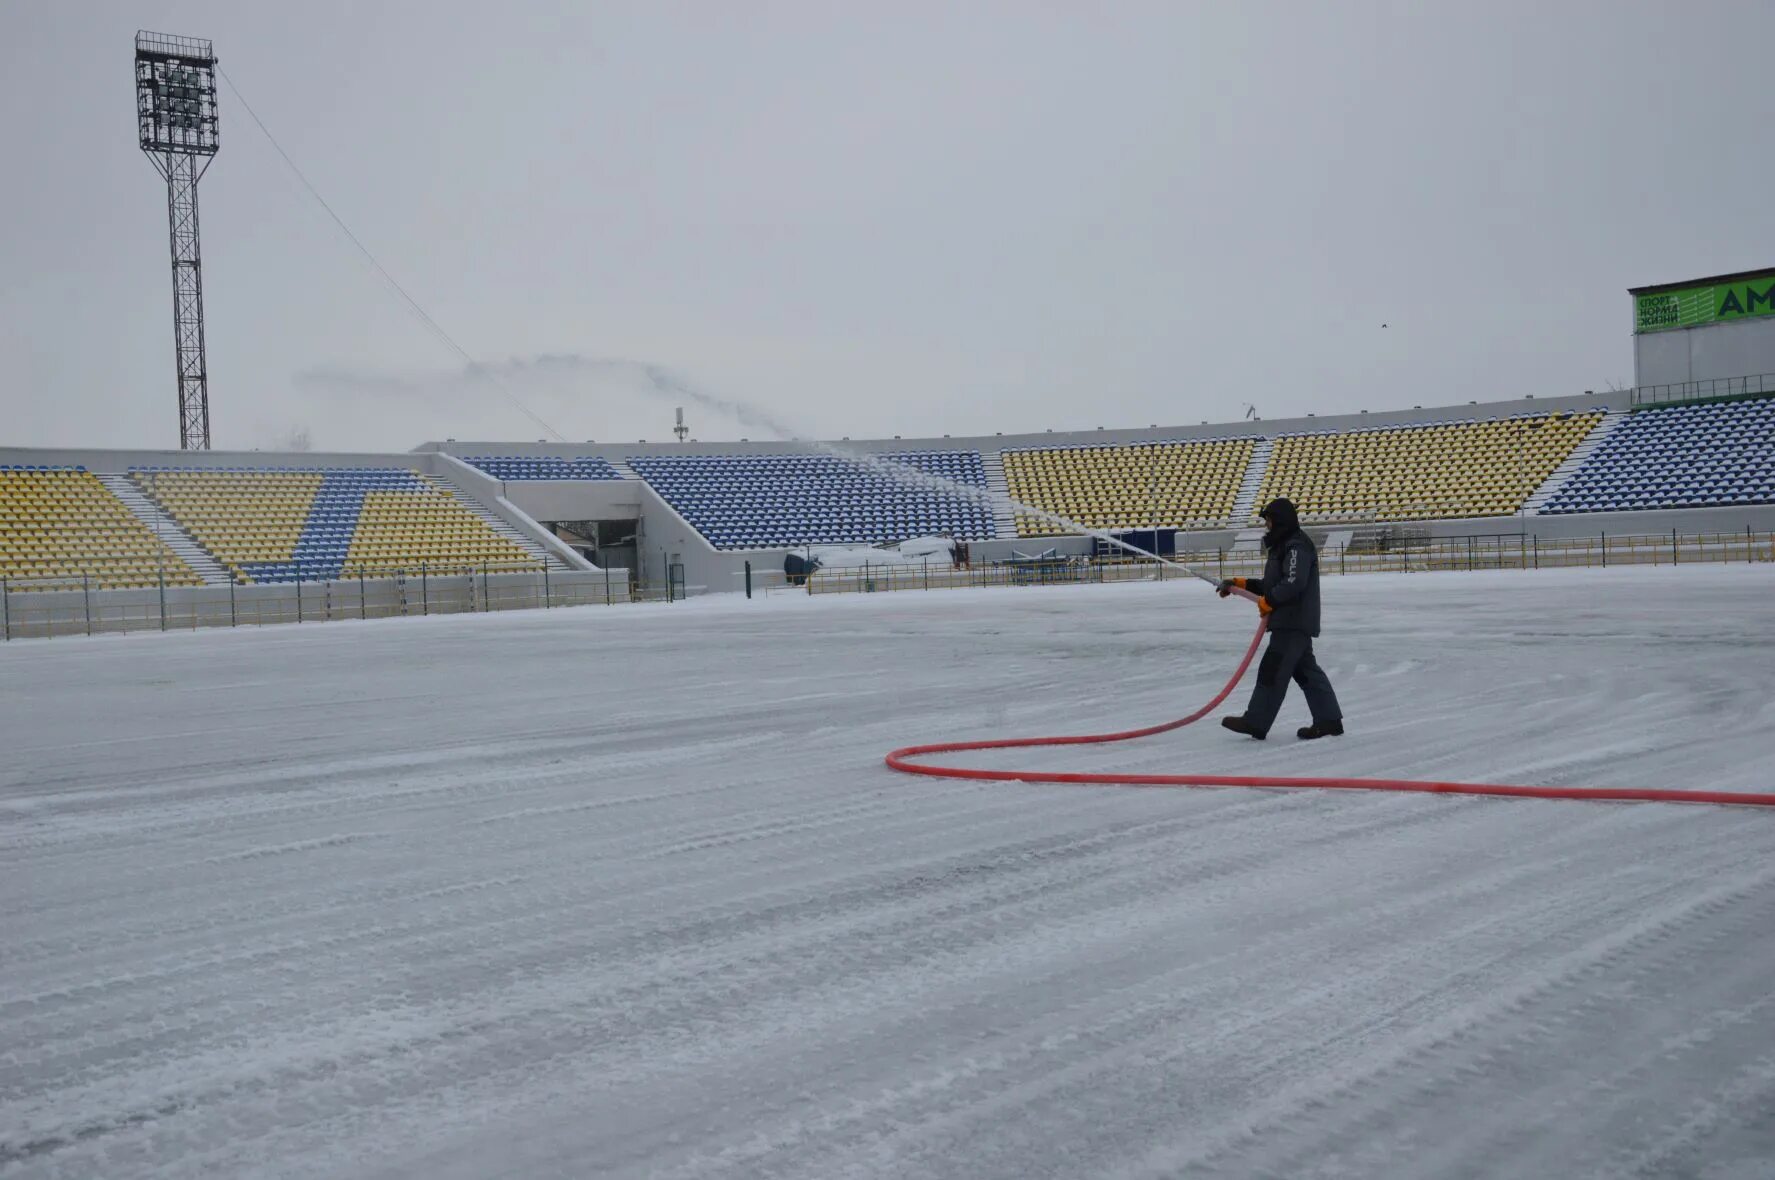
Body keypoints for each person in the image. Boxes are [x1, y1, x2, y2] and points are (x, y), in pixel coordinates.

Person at [1216, 497, 1344, 740]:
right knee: (1306, 671)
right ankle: (1329, 720)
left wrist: (1270, 600)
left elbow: (1294, 583)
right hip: (1292, 622)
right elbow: (1273, 584)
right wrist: (1241, 584)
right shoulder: (1284, 545)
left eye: (1269, 520)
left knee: (1272, 668)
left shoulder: (1296, 545)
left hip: (1292, 622)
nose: (1267, 525)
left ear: (1280, 520)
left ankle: (1256, 721)